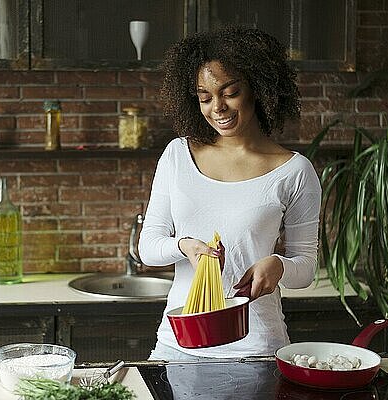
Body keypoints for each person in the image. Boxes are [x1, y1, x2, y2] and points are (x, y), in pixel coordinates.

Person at [138, 26, 322, 361]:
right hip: (177, 346)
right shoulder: (178, 156)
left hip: (255, 349)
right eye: (205, 97)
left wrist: (278, 266)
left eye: (230, 92)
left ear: (258, 88)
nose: (217, 108)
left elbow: (306, 267)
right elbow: (148, 248)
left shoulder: (294, 171)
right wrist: (186, 246)